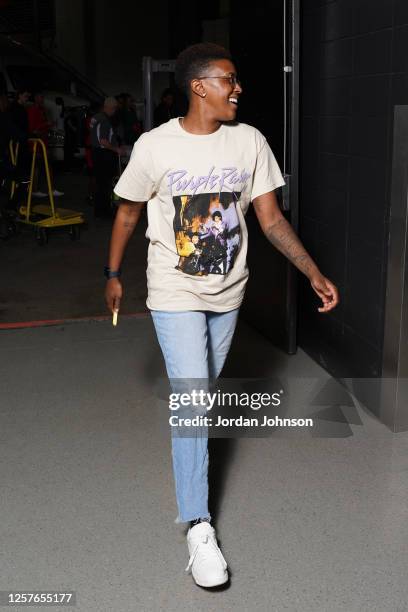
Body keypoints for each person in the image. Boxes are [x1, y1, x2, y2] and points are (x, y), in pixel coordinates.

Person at [105, 42, 339, 588]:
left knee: (203, 395)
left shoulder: (249, 142)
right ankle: (198, 525)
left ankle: (195, 479)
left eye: (237, 80)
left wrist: (311, 271)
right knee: (193, 400)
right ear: (199, 86)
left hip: (228, 291)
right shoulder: (154, 146)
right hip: (173, 290)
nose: (238, 89)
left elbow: (271, 219)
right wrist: (113, 275)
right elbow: (127, 213)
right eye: (229, 80)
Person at [90, 96, 125, 218]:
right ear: (112, 108)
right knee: (105, 184)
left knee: (100, 183)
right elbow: (103, 141)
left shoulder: (96, 117)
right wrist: (117, 149)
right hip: (104, 154)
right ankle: (104, 212)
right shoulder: (104, 120)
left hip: (96, 153)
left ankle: (100, 210)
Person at [27, 91, 64, 197]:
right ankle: (37, 190)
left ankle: (47, 189)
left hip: (43, 142)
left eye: (43, 97)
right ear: (35, 98)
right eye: (40, 96)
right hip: (37, 143)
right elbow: (32, 129)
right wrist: (46, 125)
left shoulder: (41, 110)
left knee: (44, 166)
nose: (42, 99)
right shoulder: (33, 110)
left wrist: (47, 125)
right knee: (38, 166)